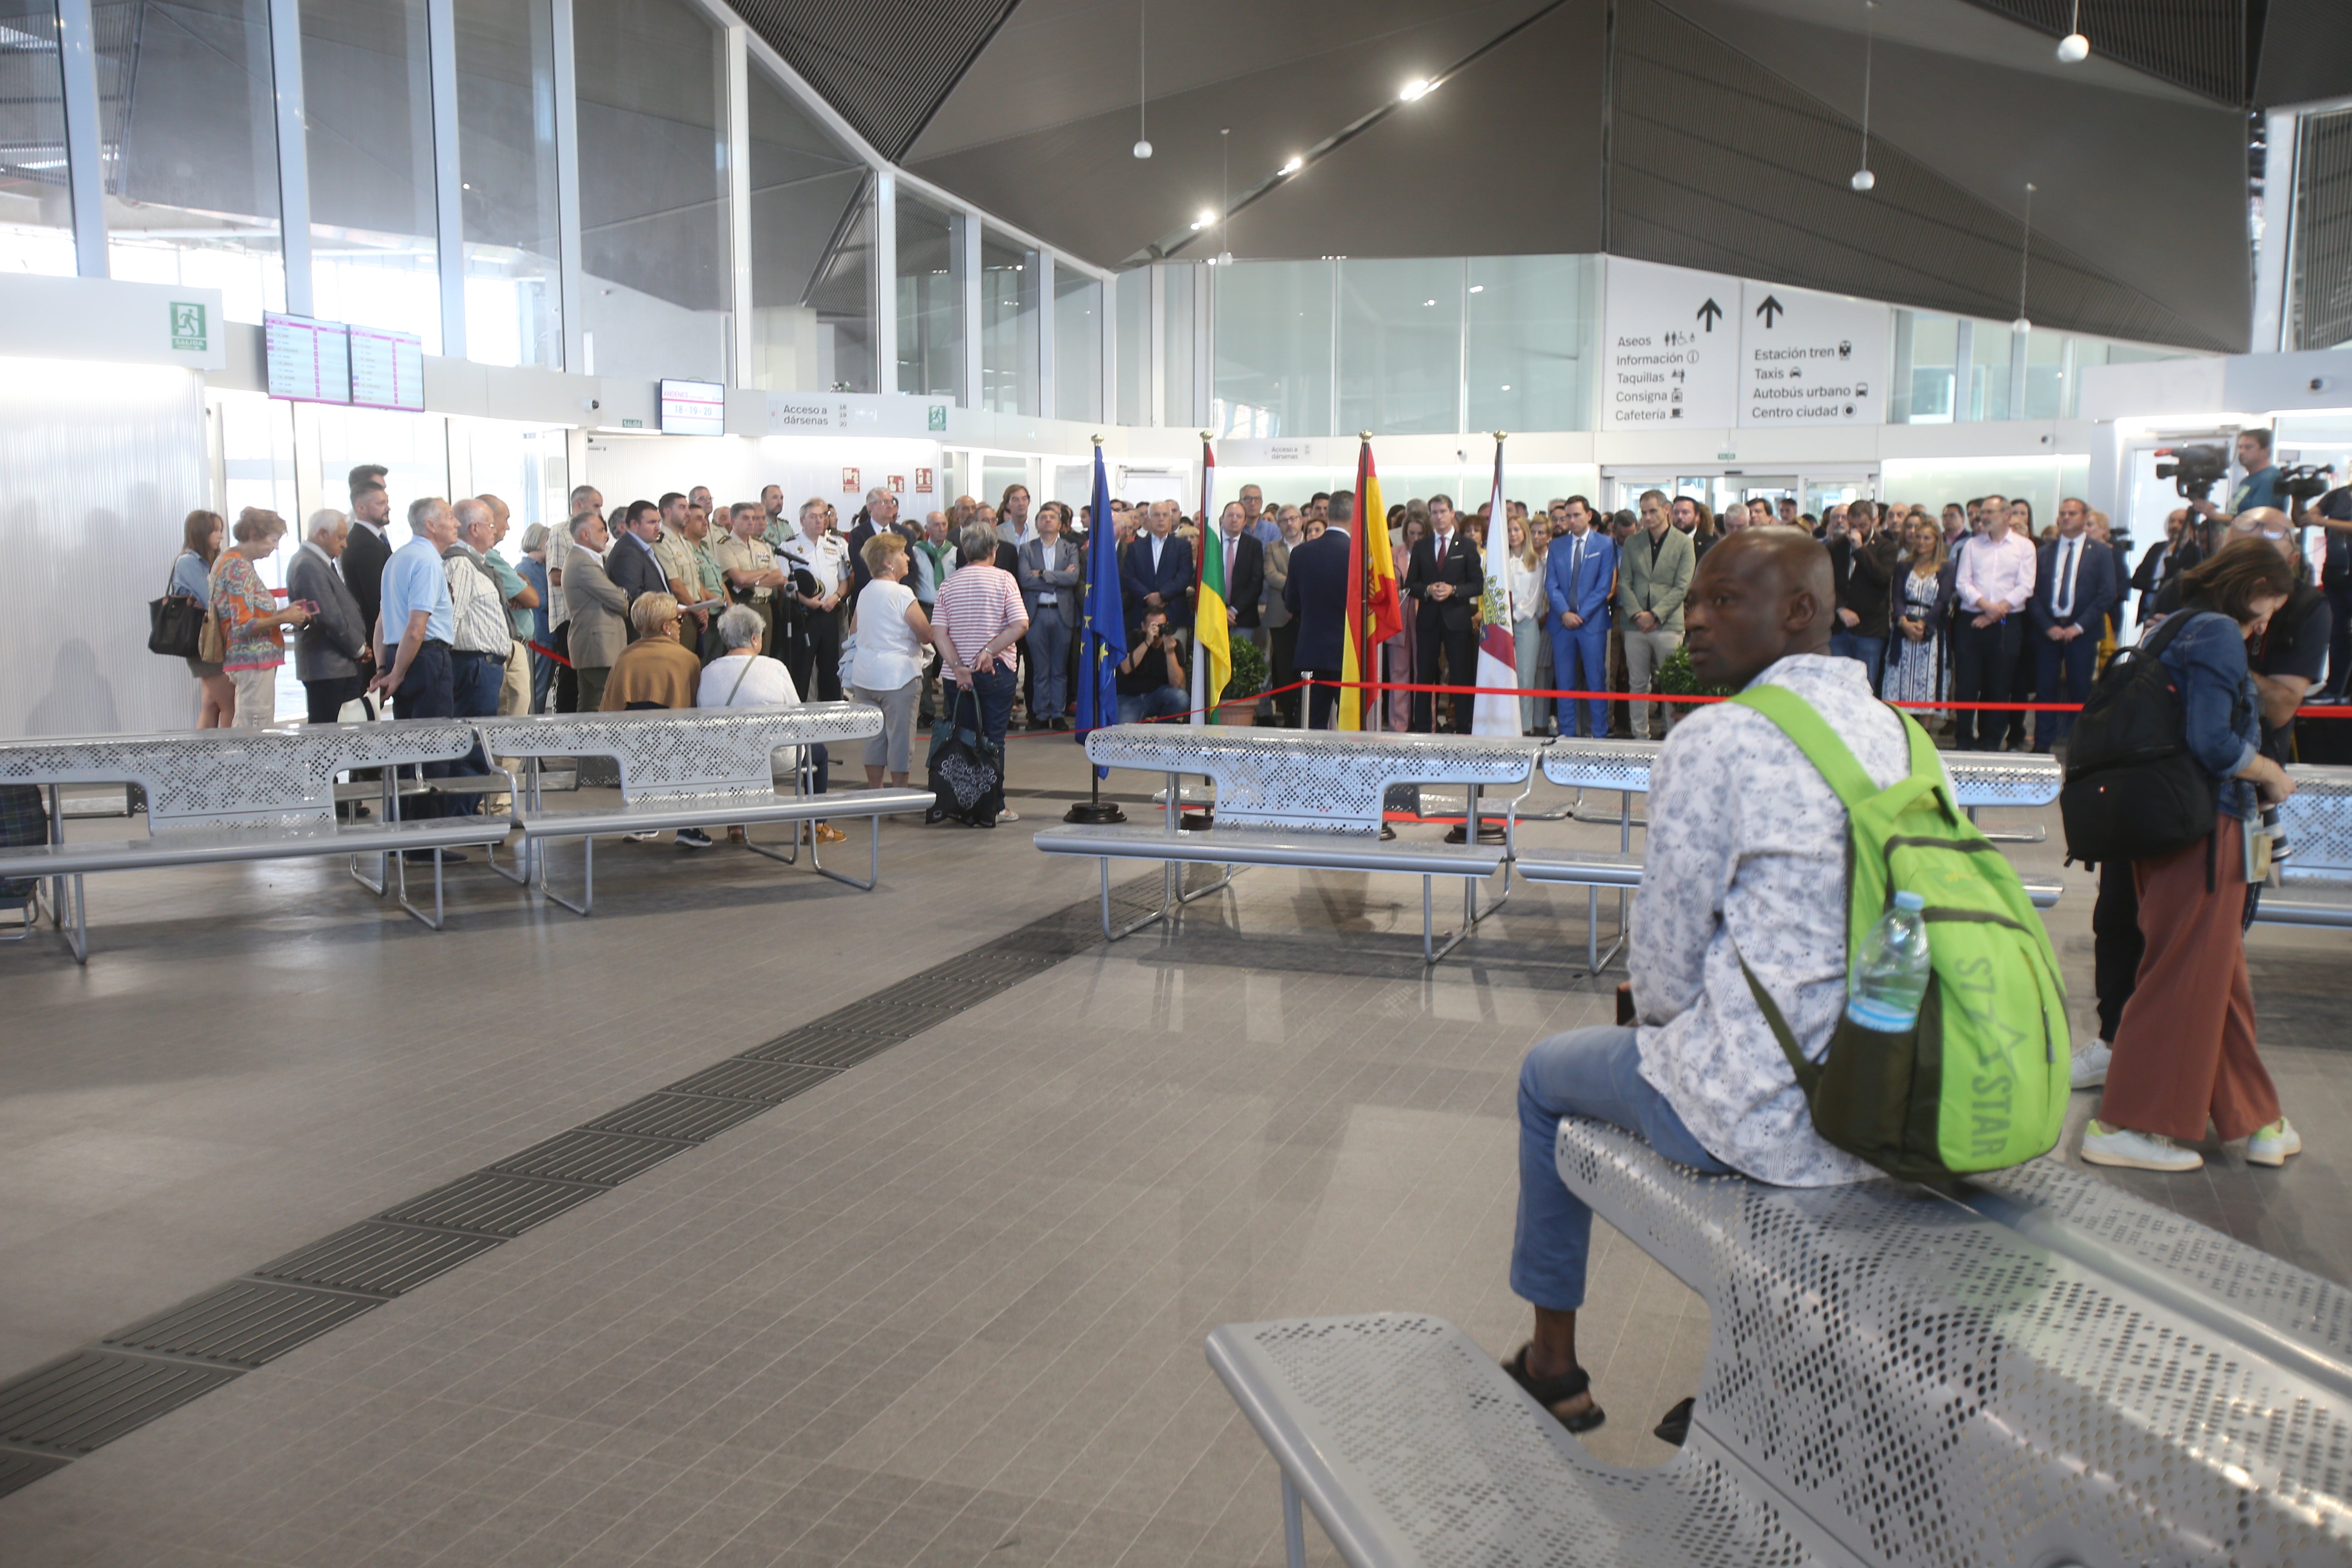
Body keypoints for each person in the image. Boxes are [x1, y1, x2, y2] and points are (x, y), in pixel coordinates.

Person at [1505, 531, 1895, 1434]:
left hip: (1767, 1110)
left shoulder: (1718, 737)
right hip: (1885, 1086)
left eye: (1724, 601)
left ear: (1799, 611)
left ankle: (1554, 1364)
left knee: (1543, 1078)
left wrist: (1675, 1027)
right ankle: (1752, 1375)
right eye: (1695, 604)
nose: (1697, 625)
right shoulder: (1894, 731)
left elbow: (1667, 973)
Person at [2082, 539, 2302, 1173]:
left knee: (2216, 977)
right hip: (2206, 830)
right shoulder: (2217, 635)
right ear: (2253, 582)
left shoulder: (2168, 624)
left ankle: (2257, 1118)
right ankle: (2130, 1124)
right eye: (2269, 606)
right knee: (2184, 977)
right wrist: (2270, 772)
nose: (2267, 623)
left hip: (2164, 829)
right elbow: (2212, 742)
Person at [701, 603, 840, 846]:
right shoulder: (774, 668)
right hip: (776, 757)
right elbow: (799, 717)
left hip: (726, 760)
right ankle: (817, 825)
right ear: (755, 638)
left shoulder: (709, 672)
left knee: (736, 744)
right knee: (819, 752)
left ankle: (736, 825)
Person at [368, 498, 462, 843]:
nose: (457, 523)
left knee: (408, 751)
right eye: (450, 517)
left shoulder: (397, 559)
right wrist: (398, 672)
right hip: (424, 658)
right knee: (433, 751)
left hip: (401, 655)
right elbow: (416, 628)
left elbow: (381, 623)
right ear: (431, 526)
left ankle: (401, 836)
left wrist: (385, 667)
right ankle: (425, 842)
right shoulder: (426, 562)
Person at [933, 521, 1030, 819]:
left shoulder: (949, 583)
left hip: (956, 677)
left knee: (963, 736)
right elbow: (1020, 624)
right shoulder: (1005, 580)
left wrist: (959, 667)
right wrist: (989, 651)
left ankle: (964, 803)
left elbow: (939, 632)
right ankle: (994, 806)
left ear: (964, 550)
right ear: (994, 550)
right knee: (993, 739)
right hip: (995, 672)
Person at [2026, 497, 2120, 752]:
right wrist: (2049, 626)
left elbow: (2107, 593)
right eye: (2062, 513)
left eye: (2072, 513)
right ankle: (2042, 744)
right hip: (2049, 631)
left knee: (2081, 689)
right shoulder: (2044, 552)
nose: (2066, 518)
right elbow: (2031, 593)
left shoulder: (2100, 552)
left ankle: (2081, 746)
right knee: (2045, 689)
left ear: (2084, 517)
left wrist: (2077, 627)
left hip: (2083, 632)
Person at [1947, 492, 2036, 750]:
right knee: (1967, 684)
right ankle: (1964, 739)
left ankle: (1991, 740)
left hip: (2008, 623)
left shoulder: (2024, 547)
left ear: (2006, 515)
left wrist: (1997, 613)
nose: (1982, 517)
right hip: (1971, 621)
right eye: (1982, 513)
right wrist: (1987, 608)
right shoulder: (1973, 546)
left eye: (1989, 513)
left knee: (1999, 685)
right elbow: (1963, 583)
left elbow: (2025, 586)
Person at [211, 508, 310, 729]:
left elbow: (245, 615)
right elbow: (244, 626)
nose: (275, 547)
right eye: (273, 540)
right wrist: (284, 617)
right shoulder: (238, 568)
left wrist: (280, 614)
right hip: (253, 659)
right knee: (255, 728)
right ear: (255, 535)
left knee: (252, 722)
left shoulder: (230, 560)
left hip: (248, 660)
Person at [851, 532, 936, 787]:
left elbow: (854, 632)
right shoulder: (902, 593)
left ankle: (875, 794)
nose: (908, 557)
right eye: (902, 553)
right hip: (898, 677)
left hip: (865, 677)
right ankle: (899, 795)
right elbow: (925, 633)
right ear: (888, 562)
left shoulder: (865, 592)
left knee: (874, 738)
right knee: (900, 740)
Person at [1615, 489, 1696, 740]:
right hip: (1635, 624)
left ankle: (1673, 735)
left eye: (1653, 511)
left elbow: (1683, 587)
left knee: (1670, 684)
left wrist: (1656, 615)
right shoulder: (1633, 542)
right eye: (1644, 512)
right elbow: (1624, 582)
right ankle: (1641, 736)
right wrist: (1639, 614)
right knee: (1638, 684)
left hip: (1668, 624)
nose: (1648, 517)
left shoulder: (1684, 543)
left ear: (1667, 511)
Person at [1402, 495, 1481, 734]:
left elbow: (1478, 585)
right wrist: (1427, 590)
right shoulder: (1422, 546)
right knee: (1425, 674)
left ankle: (1465, 726)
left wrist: (1454, 590)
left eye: (1443, 512)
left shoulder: (1466, 546)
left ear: (1452, 513)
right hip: (1428, 619)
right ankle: (1424, 727)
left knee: (1461, 675)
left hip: (1457, 619)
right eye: (1434, 513)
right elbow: (1410, 584)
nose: (1439, 517)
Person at [288, 509, 369, 724]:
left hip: (337, 665)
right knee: (330, 737)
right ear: (322, 533)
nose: (345, 545)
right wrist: (358, 648)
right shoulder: (307, 564)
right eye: (341, 538)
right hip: (328, 667)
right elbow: (329, 616)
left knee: (345, 734)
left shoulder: (318, 562)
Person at [1544, 496, 1614, 740]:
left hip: (1591, 624)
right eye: (1567, 517)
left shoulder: (1605, 545)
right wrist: (1565, 613)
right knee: (1565, 682)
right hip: (1562, 624)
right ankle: (1566, 735)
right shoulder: (1556, 545)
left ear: (1589, 516)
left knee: (1596, 681)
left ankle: (1599, 734)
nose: (1571, 521)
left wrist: (1580, 615)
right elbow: (1551, 584)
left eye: (1576, 516)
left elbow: (1604, 586)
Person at [1284, 489, 1354, 729]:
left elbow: (1291, 604)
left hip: (1311, 649)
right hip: (1349, 652)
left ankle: (1310, 768)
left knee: (1312, 723)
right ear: (1355, 516)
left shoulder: (1301, 553)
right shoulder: (1358, 554)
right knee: (1351, 724)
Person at [778, 497, 852, 700]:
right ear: (802, 521)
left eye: (822, 516)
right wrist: (806, 600)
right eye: (813, 517)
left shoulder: (836, 544)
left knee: (830, 664)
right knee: (802, 666)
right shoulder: (789, 546)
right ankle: (798, 709)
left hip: (830, 611)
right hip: (804, 613)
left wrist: (836, 598)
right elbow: (783, 583)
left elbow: (844, 581)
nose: (820, 521)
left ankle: (831, 712)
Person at [1016, 502, 1081, 730]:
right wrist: (1058, 578)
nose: (1047, 520)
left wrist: (1042, 574)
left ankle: (1058, 714)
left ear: (1060, 524)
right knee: (1040, 669)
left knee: (1059, 669)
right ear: (1036, 524)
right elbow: (1025, 580)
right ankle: (1041, 714)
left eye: (1052, 517)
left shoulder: (1069, 548)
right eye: (1043, 517)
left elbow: (1073, 580)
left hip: (1062, 615)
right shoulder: (1027, 549)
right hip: (1037, 615)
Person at [1883, 515, 1954, 714]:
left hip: (1931, 630)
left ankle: (1925, 732)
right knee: (1900, 681)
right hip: (1904, 627)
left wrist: (1923, 624)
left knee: (1929, 683)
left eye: (1927, 538)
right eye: (1918, 537)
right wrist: (1904, 622)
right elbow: (1896, 596)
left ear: (1937, 541)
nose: (1921, 542)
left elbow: (1943, 600)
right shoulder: (1904, 565)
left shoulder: (1946, 567)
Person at [561, 511, 629, 714]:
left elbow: (616, 597)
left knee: (591, 704)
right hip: (598, 645)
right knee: (607, 703)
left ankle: (587, 744)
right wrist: (621, 595)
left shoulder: (592, 560)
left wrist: (618, 594)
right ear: (585, 534)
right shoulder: (582, 563)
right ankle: (599, 745)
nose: (607, 536)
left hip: (596, 644)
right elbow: (620, 602)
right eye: (601, 530)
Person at [172, 510, 235, 727]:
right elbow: (211, 597)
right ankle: (229, 757)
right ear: (201, 532)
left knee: (212, 704)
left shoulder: (209, 560)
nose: (220, 536)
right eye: (215, 530)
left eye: (221, 530)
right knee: (231, 705)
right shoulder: (189, 562)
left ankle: (202, 757)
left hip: (210, 639)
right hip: (204, 641)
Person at [1827, 500, 1898, 692]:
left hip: (1870, 629)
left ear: (1875, 521)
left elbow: (1882, 578)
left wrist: (1860, 549)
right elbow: (1828, 582)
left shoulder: (1887, 548)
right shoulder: (1836, 546)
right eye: (1853, 526)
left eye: (1863, 526)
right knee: (1836, 683)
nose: (1857, 531)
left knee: (1866, 685)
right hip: (1840, 627)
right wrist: (1840, 608)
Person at [714, 501, 785, 657]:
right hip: (742, 604)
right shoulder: (724, 545)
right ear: (733, 521)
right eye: (746, 518)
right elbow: (739, 579)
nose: (751, 522)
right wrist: (764, 571)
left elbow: (779, 577)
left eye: (753, 518)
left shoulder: (762, 545)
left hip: (765, 606)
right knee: (742, 655)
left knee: (764, 655)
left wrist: (755, 580)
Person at [1122, 499, 1195, 645]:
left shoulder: (1183, 546)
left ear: (1171, 519)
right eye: (1156, 515)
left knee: (1175, 662)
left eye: (1165, 515)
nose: (1161, 519)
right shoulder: (1135, 547)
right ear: (1148, 520)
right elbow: (1128, 577)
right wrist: (1148, 597)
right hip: (1142, 615)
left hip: (1174, 615)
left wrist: (1162, 595)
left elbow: (1184, 576)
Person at [1260, 505, 1303, 725]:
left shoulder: (1311, 546)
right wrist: (1297, 586)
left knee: (1306, 670)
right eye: (1284, 520)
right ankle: (1288, 717)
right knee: (1284, 670)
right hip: (1279, 618)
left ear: (1301, 520)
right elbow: (1270, 574)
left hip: (1307, 619)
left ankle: (1306, 715)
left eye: (1293, 519)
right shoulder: (1272, 548)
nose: (1290, 523)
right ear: (1279, 525)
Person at [2192, 427, 2283, 529]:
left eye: (2249, 447)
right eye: (2240, 447)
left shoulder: (2269, 479)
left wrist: (2215, 516)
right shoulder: (2248, 481)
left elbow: (2256, 521)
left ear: (2266, 451)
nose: (2242, 452)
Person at [342, 478, 394, 655]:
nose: (387, 508)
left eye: (387, 502)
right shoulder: (364, 544)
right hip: (375, 636)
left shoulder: (375, 539)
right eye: (381, 503)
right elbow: (377, 598)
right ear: (361, 508)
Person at [1505, 513, 1547, 735]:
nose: (1513, 534)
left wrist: (1515, 615)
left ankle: (1525, 727)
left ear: (1525, 533)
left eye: (1517, 530)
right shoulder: (1502, 561)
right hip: (1502, 625)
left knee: (1525, 677)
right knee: (1504, 677)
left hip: (1525, 623)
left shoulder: (1536, 562)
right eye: (1509, 530)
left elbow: (1534, 597)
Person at [1117, 607, 1189, 723]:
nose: (1158, 630)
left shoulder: (1174, 645)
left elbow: (1176, 683)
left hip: (1157, 695)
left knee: (1181, 698)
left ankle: (1159, 731)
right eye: (1153, 626)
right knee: (1123, 731)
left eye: (1161, 626)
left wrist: (1170, 653)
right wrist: (1147, 642)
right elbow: (1126, 668)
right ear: (1144, 626)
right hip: (1130, 697)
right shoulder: (1134, 638)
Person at [605, 500, 667, 622]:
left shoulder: (641, 548)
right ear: (634, 524)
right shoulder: (627, 551)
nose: (658, 528)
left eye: (658, 522)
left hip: (656, 623)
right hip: (644, 628)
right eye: (652, 523)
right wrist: (666, 608)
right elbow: (635, 597)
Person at [516, 524, 556, 712]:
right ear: (542, 544)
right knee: (537, 689)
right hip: (539, 636)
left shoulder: (543, 568)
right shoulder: (527, 568)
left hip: (548, 636)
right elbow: (542, 600)